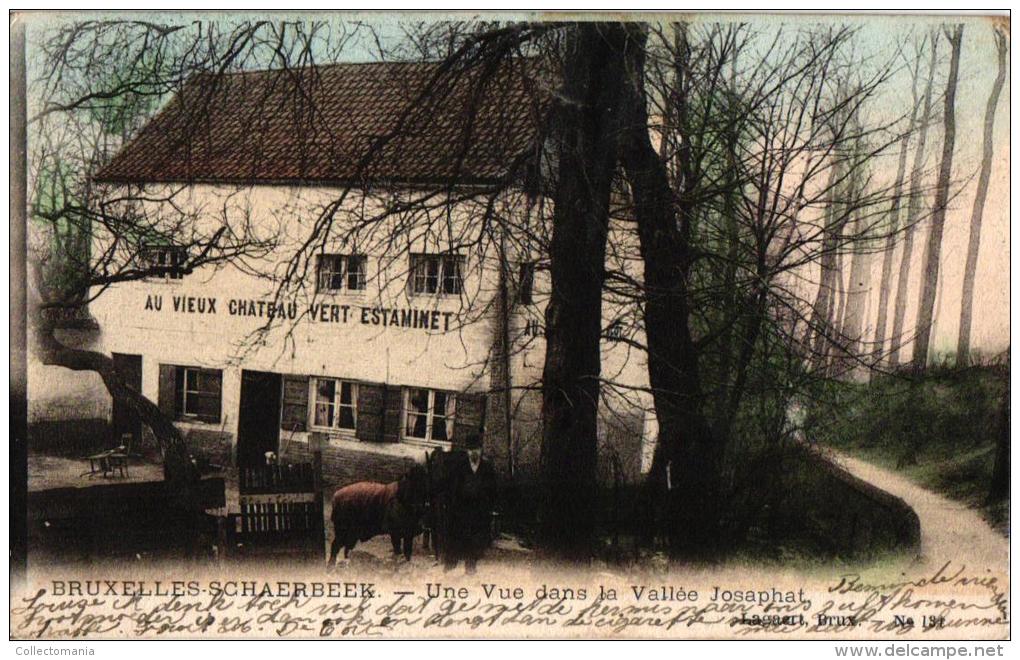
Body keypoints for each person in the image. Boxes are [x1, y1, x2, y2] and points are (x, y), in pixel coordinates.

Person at [443, 432, 497, 574]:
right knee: (456, 540)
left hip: (478, 512)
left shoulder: (487, 468)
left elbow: (492, 490)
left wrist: (488, 509)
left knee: (475, 542)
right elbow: (452, 488)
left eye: (477, 449)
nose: (474, 452)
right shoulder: (459, 466)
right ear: (467, 450)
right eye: (471, 449)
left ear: (481, 450)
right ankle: (450, 567)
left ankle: (471, 567)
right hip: (461, 510)